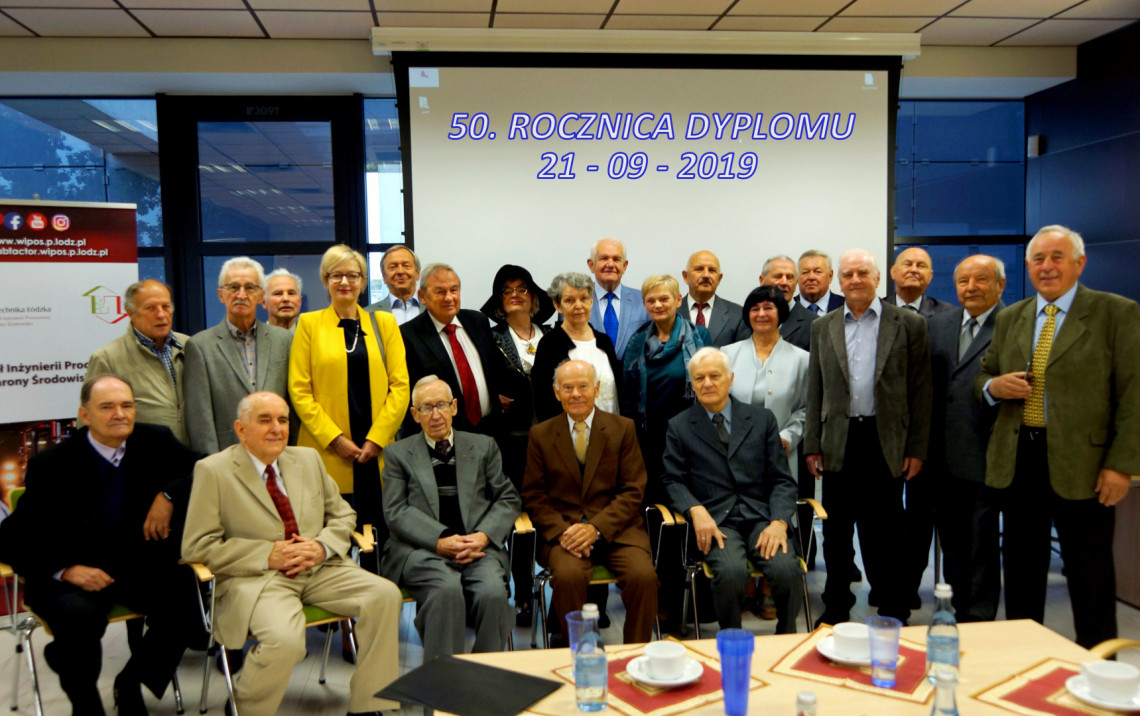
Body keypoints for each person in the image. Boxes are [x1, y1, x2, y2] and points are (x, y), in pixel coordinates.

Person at [182, 392, 402, 716]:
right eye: (265, 419)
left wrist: (321, 546)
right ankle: (244, 706)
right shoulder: (213, 471)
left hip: (320, 567)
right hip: (259, 578)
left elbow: (343, 515)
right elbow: (197, 545)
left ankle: (369, 705)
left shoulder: (308, 459)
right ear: (240, 429)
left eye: (283, 420)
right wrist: (266, 554)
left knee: (385, 595)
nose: (277, 428)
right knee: (286, 641)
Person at [978, 225, 1140, 648]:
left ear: (1079, 263)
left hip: (1085, 467)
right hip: (1020, 460)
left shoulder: (1115, 313)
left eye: (1057, 257)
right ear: (1028, 267)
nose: (1047, 267)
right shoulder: (1012, 316)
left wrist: (1121, 465)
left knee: (1091, 576)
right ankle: (1024, 661)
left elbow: (1134, 394)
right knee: (1021, 572)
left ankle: (1098, 672)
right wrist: (994, 388)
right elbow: (984, 374)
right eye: (1038, 259)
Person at [0, 374, 200, 716]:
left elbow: (206, 467)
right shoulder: (51, 465)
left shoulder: (155, 440)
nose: (119, 414)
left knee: (189, 602)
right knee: (78, 622)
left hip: (137, 564)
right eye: (107, 407)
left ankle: (130, 681)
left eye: (126, 405)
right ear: (85, 415)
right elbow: (13, 538)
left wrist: (168, 494)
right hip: (73, 572)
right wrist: (67, 570)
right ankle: (86, 704)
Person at [804, 249, 931, 627]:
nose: (855, 279)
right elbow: (816, 389)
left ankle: (892, 604)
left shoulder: (908, 324)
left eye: (863, 272)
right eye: (848, 274)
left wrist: (916, 448)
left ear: (878, 279)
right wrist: (812, 442)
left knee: (886, 531)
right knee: (836, 531)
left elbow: (921, 392)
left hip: (885, 439)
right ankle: (837, 604)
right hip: (838, 439)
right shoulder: (822, 326)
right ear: (839, 282)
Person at [380, 377, 520, 661]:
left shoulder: (483, 446)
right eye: (426, 407)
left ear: (454, 407)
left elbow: (508, 498)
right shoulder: (398, 454)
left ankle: (485, 672)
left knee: (493, 594)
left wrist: (482, 536)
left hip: (478, 547)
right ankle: (444, 680)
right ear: (414, 414)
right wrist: (440, 540)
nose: (435, 415)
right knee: (446, 591)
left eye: (442, 405)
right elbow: (395, 510)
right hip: (422, 549)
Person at [662, 348, 801, 633]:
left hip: (762, 518)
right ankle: (732, 640)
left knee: (788, 571)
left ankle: (787, 638)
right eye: (699, 378)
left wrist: (779, 522)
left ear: (731, 378)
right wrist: (695, 510)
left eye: (715, 376)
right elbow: (672, 479)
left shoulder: (762, 419)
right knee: (732, 573)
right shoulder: (679, 426)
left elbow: (782, 480)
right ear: (692, 385)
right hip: (716, 522)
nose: (707, 383)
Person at [522, 360, 658, 645]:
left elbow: (634, 489)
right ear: (556, 392)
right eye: (567, 388)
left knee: (643, 576)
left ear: (596, 389)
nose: (576, 394)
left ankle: (635, 651)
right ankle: (579, 649)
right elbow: (534, 495)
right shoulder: (540, 434)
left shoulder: (622, 428)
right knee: (569, 576)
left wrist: (595, 529)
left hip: (617, 531)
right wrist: (565, 533)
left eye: (583, 386)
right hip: (564, 535)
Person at [289, 244, 409, 544]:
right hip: (329, 451)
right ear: (325, 280)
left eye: (353, 275)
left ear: (363, 281)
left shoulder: (384, 323)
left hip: (377, 451)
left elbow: (401, 386)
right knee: (334, 537)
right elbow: (299, 390)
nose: (345, 282)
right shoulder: (309, 324)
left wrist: (376, 438)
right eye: (336, 275)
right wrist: (335, 439)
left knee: (380, 536)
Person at [922, 254, 1005, 622]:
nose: (970, 288)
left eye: (980, 280)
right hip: (941, 456)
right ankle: (958, 610)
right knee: (953, 543)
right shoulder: (941, 323)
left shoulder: (1012, 323)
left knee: (981, 545)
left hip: (987, 452)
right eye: (963, 281)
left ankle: (980, 618)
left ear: (1000, 285)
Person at [479, 264, 556, 626]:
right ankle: (523, 594)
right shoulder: (489, 338)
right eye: (506, 289)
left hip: (554, 443)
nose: (514, 294)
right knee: (518, 520)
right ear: (497, 300)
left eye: (522, 288)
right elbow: (477, 380)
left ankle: (559, 589)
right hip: (511, 443)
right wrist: (493, 396)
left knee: (554, 514)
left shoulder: (553, 337)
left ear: (534, 296)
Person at [185, 257, 292, 455]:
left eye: (250, 288)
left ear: (261, 296)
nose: (241, 294)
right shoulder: (200, 346)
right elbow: (200, 419)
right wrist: (213, 467)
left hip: (279, 454)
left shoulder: (285, 341)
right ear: (221, 295)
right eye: (233, 287)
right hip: (228, 456)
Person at [621, 274, 711, 504]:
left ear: (678, 300)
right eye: (651, 300)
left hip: (689, 435)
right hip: (648, 438)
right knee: (653, 499)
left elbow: (709, 387)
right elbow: (629, 396)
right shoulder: (636, 341)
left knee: (686, 499)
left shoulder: (700, 336)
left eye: (664, 299)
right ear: (645, 305)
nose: (658, 305)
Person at [400, 263, 510, 439]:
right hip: (446, 436)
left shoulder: (477, 321)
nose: (449, 298)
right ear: (422, 296)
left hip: (492, 430)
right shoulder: (408, 335)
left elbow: (493, 370)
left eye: (454, 290)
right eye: (440, 292)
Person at [721, 286, 809, 483]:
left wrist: (787, 437)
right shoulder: (726, 354)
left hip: (781, 453)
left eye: (768, 308)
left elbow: (806, 409)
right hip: (733, 451)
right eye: (755, 309)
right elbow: (718, 403)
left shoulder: (801, 359)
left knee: (779, 507)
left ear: (781, 313)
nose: (761, 314)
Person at [86, 280, 189, 443]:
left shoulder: (190, 346)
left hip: (194, 458)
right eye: (150, 308)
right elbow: (90, 422)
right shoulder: (107, 358)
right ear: (130, 313)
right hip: (139, 461)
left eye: (166, 307)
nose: (161, 314)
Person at [532, 271, 622, 422]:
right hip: (572, 438)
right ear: (557, 305)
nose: (578, 306)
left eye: (584, 298)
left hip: (612, 433)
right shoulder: (549, 345)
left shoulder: (604, 341)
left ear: (591, 301)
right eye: (569, 300)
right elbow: (543, 402)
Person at [586, 238, 649, 361]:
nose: (610, 264)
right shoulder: (575, 303)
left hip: (632, 379)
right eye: (604, 258)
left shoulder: (644, 300)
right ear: (591, 265)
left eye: (616, 259)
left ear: (624, 266)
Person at [679, 250, 749, 348]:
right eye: (699, 269)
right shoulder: (670, 313)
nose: (706, 275)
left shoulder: (738, 315)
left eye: (712, 270)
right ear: (685, 276)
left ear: (719, 279)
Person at [760, 254, 815, 353]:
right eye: (778, 276)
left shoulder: (814, 324)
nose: (784, 282)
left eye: (790, 277)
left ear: (796, 282)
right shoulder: (749, 320)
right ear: (762, 281)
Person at [887, 247, 956, 318]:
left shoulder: (948, 314)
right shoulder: (879, 310)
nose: (914, 270)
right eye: (907, 264)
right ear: (893, 272)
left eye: (921, 266)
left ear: (930, 276)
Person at [367, 245, 423, 325]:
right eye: (393, 267)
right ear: (384, 277)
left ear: (417, 273)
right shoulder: (369, 314)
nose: (400, 271)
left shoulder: (433, 309)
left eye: (406, 266)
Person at [795, 250, 845, 315]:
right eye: (805, 272)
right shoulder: (786, 309)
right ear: (797, 277)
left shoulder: (846, 306)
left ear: (830, 276)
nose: (811, 277)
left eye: (817, 272)